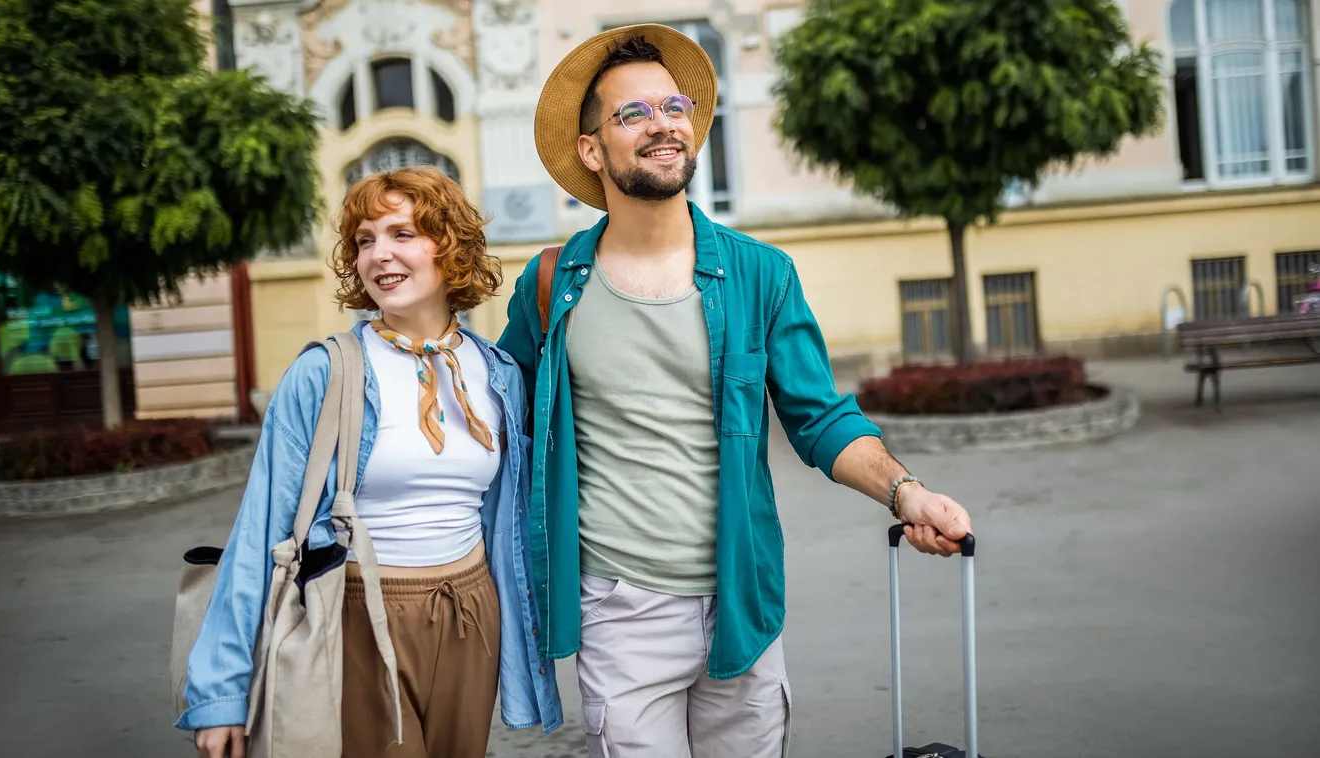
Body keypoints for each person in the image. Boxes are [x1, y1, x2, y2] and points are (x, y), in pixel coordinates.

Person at [497, 24, 974, 757]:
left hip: (740, 605)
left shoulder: (761, 275)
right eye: (633, 113)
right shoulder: (550, 285)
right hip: (617, 609)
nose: (662, 125)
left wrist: (905, 491)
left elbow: (819, 419)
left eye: (673, 107)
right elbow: (498, 414)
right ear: (591, 149)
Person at [177, 166, 562, 757]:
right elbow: (261, 529)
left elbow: (515, 517)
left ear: (449, 245)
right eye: (364, 239)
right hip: (359, 611)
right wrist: (220, 693)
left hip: (471, 610)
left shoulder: (498, 373)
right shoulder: (326, 372)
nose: (379, 254)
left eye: (402, 233)